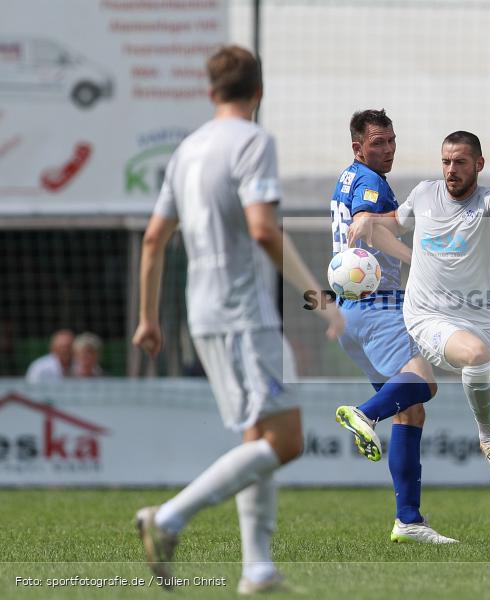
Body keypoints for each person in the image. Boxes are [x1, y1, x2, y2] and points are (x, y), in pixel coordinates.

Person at [131, 45, 343, 594]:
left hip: (202, 314)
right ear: (259, 92)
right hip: (245, 315)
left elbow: (154, 239)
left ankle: (258, 569)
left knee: (258, 432)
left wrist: (148, 319)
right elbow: (264, 230)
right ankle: (167, 519)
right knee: (288, 440)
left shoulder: (187, 150)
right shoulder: (253, 141)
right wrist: (319, 296)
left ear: (210, 92)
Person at [392, 131, 490, 543]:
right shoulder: (423, 193)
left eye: (460, 163)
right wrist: (366, 222)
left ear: (479, 165)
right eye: (446, 162)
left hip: (482, 316)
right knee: (475, 356)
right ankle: (484, 436)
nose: (451, 170)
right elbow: (393, 224)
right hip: (428, 314)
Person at [330, 109, 455, 544]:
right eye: (377, 143)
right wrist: (420, 262)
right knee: (425, 383)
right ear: (358, 147)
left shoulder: (346, 177)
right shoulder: (371, 182)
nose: (387, 150)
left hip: (351, 311)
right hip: (377, 306)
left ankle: (409, 520)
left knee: (411, 408)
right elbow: (367, 223)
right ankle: (365, 413)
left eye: (391, 141)